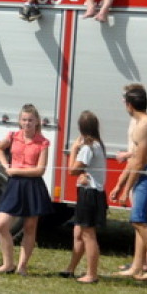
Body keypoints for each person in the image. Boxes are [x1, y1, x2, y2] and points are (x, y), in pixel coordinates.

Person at [110, 84, 147, 281]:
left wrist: (126, 189)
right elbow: (133, 161)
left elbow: (139, 162)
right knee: (139, 221)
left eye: (125, 102)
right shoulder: (144, 123)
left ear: (130, 105)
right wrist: (119, 185)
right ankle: (137, 266)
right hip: (145, 173)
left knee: (138, 219)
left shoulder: (144, 125)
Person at [0, 104, 53, 275]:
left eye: (30, 120)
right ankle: (8, 263)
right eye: (24, 120)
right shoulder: (13, 136)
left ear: (37, 122)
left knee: (30, 227)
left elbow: (40, 170)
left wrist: (15, 170)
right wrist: (6, 165)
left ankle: (22, 266)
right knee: (1, 224)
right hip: (15, 184)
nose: (27, 123)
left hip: (33, 185)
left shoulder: (43, 142)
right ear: (20, 121)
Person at [61, 111, 107, 284]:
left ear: (81, 128)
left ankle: (92, 274)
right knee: (79, 233)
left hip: (90, 194)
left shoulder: (88, 147)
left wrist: (73, 149)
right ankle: (70, 269)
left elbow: (73, 170)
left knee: (88, 235)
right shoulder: (98, 144)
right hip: (91, 193)